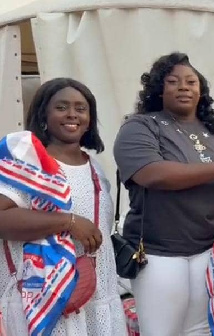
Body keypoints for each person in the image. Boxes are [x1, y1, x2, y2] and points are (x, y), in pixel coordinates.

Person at [113, 52, 214, 336]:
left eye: (191, 82)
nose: (184, 87)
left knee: (200, 330)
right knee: (162, 332)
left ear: (201, 90)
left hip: (207, 249)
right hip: (160, 253)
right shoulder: (141, 126)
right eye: (173, 81)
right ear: (159, 89)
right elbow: (151, 173)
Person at [0, 78, 127, 335]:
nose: (72, 114)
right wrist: (68, 222)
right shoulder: (27, 162)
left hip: (94, 296)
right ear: (43, 114)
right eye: (61, 107)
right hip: (43, 299)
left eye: (81, 108)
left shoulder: (95, 168)